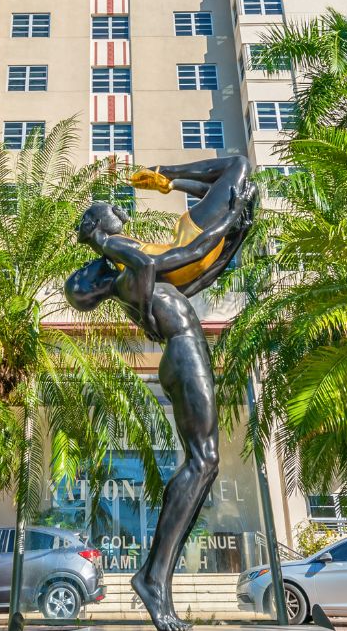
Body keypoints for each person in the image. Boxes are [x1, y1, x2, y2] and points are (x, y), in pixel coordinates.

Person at [64, 156, 257, 631]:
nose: (114, 215)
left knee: (204, 464)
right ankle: (153, 579)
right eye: (87, 269)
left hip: (183, 351)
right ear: (91, 286)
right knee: (203, 460)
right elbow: (170, 259)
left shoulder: (134, 279)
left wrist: (236, 237)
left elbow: (197, 275)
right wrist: (228, 223)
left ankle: (154, 575)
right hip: (183, 351)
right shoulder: (128, 274)